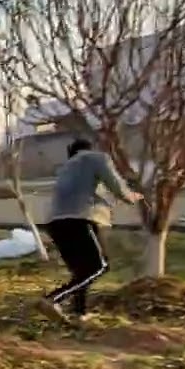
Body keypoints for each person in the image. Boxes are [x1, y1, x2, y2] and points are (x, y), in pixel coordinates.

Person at [37, 138, 143, 324]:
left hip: (55, 223)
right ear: (87, 149)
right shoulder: (97, 158)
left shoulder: (65, 168)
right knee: (99, 267)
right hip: (80, 219)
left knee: (81, 272)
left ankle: (80, 313)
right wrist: (132, 196)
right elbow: (117, 186)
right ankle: (53, 299)